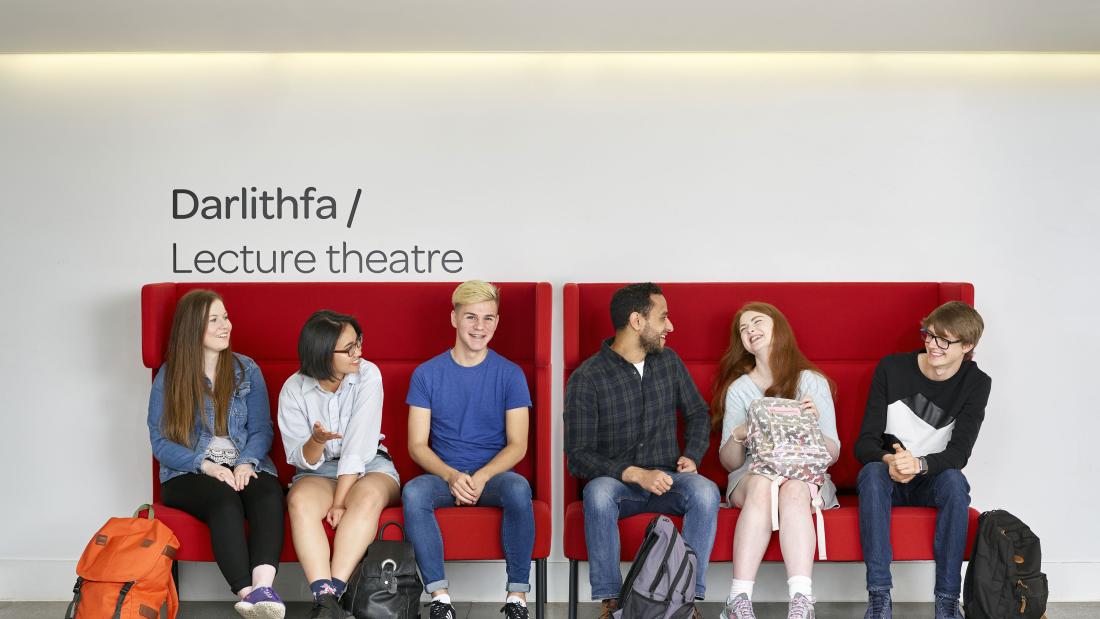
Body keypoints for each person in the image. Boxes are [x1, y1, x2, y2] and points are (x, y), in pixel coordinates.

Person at [564, 282, 719, 619]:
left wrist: (692, 456)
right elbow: (578, 455)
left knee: (706, 491)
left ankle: (685, 598)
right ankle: (612, 602)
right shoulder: (587, 378)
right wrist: (634, 474)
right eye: (663, 318)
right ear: (637, 321)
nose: (670, 326)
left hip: (669, 478)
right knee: (598, 492)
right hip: (621, 485)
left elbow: (697, 414)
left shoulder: (669, 362)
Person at [147, 289, 285, 619]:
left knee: (267, 493)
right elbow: (161, 443)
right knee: (224, 501)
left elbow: (262, 429)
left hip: (242, 461)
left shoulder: (246, 369)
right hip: (188, 473)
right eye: (215, 319)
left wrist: (246, 462)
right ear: (193, 327)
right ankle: (247, 594)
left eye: (226, 317)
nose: (226, 325)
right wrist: (207, 466)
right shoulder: (171, 376)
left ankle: (264, 588)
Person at [402, 281, 535, 619]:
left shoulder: (510, 374)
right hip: (445, 476)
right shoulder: (426, 374)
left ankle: (517, 598)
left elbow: (518, 444)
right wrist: (451, 476)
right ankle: (440, 599)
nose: (480, 327)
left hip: (493, 477)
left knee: (519, 488)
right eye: (471, 317)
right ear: (454, 319)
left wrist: (482, 477)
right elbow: (417, 445)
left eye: (488, 318)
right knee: (415, 492)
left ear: (497, 322)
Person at [855, 301, 991, 619]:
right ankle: (879, 598)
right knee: (872, 473)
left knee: (956, 482)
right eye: (929, 335)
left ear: (967, 346)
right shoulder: (892, 368)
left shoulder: (976, 383)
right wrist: (892, 460)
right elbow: (864, 444)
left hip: (931, 478)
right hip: (887, 474)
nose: (933, 345)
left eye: (944, 340)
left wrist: (919, 465)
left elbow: (959, 454)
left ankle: (946, 600)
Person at [712, 302, 841, 619]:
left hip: (805, 471)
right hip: (753, 472)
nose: (749, 330)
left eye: (756, 322)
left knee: (795, 487)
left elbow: (832, 454)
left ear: (778, 328)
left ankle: (802, 601)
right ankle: (738, 600)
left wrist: (814, 423)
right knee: (761, 484)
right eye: (743, 329)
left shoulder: (810, 382)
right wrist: (741, 433)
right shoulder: (740, 389)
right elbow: (729, 463)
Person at [279, 310, 401, 619]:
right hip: (318, 471)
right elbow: (299, 458)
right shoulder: (293, 389)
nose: (358, 352)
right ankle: (325, 599)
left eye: (358, 343)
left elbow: (358, 447)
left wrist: (339, 502)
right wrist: (316, 440)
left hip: (370, 464)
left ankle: (332, 594)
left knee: (369, 497)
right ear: (322, 352)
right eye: (348, 348)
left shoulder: (368, 374)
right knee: (299, 500)